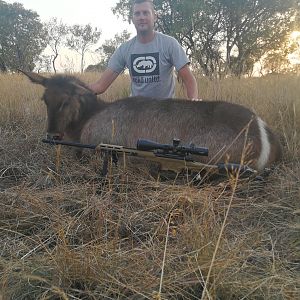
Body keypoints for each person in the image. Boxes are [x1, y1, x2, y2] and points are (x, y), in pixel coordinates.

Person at [90, 0, 199, 100]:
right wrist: (75, 90)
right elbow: (100, 86)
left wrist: (194, 102)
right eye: (137, 14)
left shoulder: (170, 44)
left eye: (145, 13)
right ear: (132, 19)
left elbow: (189, 80)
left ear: (154, 16)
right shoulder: (124, 49)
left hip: (165, 112)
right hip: (136, 112)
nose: (141, 17)